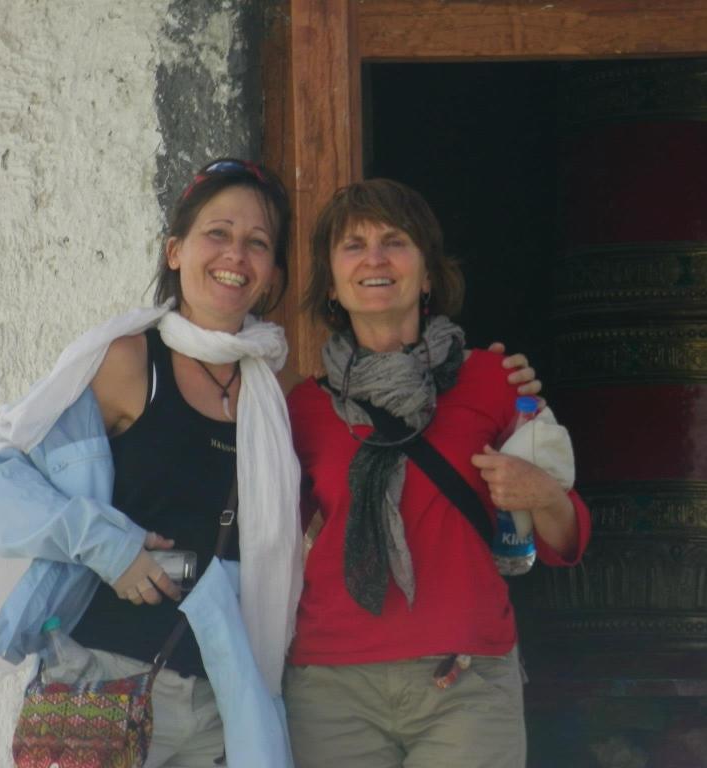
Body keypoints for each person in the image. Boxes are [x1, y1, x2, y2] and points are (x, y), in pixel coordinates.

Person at [0, 158, 302, 767]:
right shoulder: (128, 363)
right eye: (218, 233)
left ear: (272, 274)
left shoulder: (271, 395)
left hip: (220, 703)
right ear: (176, 251)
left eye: (258, 242)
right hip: (100, 685)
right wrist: (108, 545)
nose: (236, 254)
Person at [283, 178, 592, 768]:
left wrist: (542, 493)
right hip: (331, 689)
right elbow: (269, 541)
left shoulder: (495, 380)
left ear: (427, 275)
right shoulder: (304, 408)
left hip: (466, 681)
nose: (375, 259)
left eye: (395, 241)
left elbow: (568, 539)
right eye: (354, 245)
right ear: (331, 282)